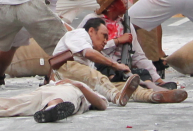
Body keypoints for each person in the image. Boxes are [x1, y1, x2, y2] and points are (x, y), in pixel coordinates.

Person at [47, 16, 185, 104]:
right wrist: (115, 65)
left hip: (79, 79)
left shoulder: (92, 48)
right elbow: (88, 53)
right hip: (63, 70)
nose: (106, 40)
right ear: (91, 31)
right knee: (97, 77)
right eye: (104, 36)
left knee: (117, 85)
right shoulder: (79, 34)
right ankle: (117, 98)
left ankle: (151, 96)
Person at [0, 78, 108, 124]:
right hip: (43, 91)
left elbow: (101, 104)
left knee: (60, 96)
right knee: (14, 101)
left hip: (66, 91)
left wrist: (78, 84)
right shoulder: (60, 83)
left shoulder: (82, 89)